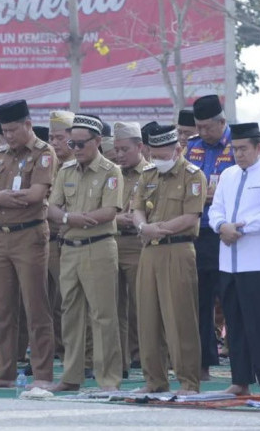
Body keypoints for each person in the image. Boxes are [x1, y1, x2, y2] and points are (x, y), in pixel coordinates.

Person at [0, 99, 57, 390]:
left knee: (36, 307)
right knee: (3, 308)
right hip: (0, 236)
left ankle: (43, 374)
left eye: (13, 130)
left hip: (29, 235)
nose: (9, 135)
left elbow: (35, 195)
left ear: (27, 125)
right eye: (5, 131)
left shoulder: (43, 154)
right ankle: (4, 373)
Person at [208, 122, 260, 396]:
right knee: (236, 323)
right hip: (228, 263)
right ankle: (240, 380)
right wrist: (221, 226)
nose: (238, 154)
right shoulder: (228, 175)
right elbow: (215, 210)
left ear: (259, 148)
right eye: (235, 149)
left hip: (258, 264)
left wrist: (237, 228)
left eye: (243, 149)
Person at [47, 114, 123, 392]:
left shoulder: (110, 171)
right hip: (69, 249)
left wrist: (73, 217)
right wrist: (70, 219)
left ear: (97, 141)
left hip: (98, 247)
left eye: (81, 144)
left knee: (103, 315)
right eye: (72, 143)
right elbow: (52, 208)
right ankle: (71, 376)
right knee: (70, 314)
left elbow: (109, 211)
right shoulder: (65, 171)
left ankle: (108, 379)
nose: (76, 149)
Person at [132, 125, 206, 395]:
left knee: (179, 318)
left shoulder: (193, 175)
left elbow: (190, 217)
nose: (158, 161)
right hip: (150, 250)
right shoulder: (148, 173)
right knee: (148, 317)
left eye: (163, 155)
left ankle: (188, 382)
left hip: (178, 248)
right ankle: (155, 380)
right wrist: (143, 228)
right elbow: (137, 208)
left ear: (177, 150)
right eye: (154, 155)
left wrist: (159, 228)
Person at [185, 94, 235, 381]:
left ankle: (240, 362)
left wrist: (204, 196)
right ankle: (203, 364)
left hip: (228, 235)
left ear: (222, 122)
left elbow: (227, 192)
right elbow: (188, 189)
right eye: (198, 127)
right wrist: (207, 196)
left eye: (207, 127)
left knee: (231, 299)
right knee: (200, 301)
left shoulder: (238, 145)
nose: (202, 133)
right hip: (200, 235)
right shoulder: (192, 149)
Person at [113, 122, 149, 376]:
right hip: (112, 242)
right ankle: (119, 362)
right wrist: (116, 220)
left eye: (125, 149)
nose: (119, 154)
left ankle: (149, 359)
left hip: (140, 245)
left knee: (143, 305)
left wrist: (136, 220)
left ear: (140, 146)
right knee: (114, 307)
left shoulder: (152, 173)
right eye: (116, 149)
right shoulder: (111, 173)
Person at [47, 110, 75, 360]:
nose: (54, 143)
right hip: (46, 240)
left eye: (59, 138)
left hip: (69, 238)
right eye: (51, 138)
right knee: (50, 300)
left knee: (67, 299)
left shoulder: (79, 167)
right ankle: (55, 347)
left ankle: (72, 349)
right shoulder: (48, 165)